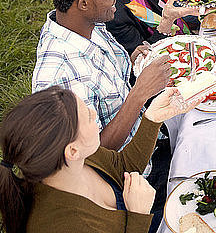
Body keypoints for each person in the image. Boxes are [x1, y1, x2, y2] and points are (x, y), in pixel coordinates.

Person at [32, 0, 171, 232]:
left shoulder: (86, 23)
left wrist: (132, 60)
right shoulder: (59, 78)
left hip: (149, 141)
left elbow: (114, 82)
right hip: (132, 186)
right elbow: (90, 157)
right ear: (84, 2)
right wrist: (139, 94)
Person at [0, 85, 198, 233]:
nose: (94, 113)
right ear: (72, 151)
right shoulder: (64, 226)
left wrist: (152, 118)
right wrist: (138, 217)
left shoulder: (78, 157)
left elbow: (123, 166)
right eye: (87, 116)